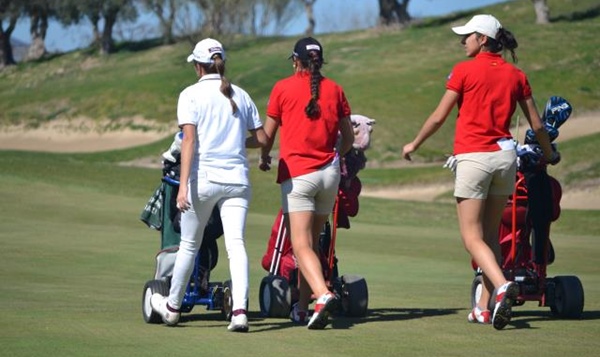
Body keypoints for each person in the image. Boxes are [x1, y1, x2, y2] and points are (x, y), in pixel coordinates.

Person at [401, 15, 560, 330]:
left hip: (474, 158)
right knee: (489, 236)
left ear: (483, 39)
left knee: (471, 237)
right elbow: (538, 125)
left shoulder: (463, 71)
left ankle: (502, 286)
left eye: (468, 36)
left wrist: (414, 143)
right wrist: (550, 152)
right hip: (504, 159)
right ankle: (484, 308)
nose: (463, 41)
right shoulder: (516, 74)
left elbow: (438, 117)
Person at [150, 38, 267, 332]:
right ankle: (240, 312)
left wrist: (182, 187)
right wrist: (244, 143)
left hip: (204, 179)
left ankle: (173, 308)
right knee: (236, 245)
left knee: (189, 244)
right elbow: (263, 139)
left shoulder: (190, 94)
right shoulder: (240, 94)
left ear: (198, 66)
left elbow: (188, 141)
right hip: (237, 180)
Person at [259, 37, 355, 330]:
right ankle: (302, 308)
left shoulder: (282, 88)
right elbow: (348, 138)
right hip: (329, 174)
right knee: (312, 244)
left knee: (300, 245)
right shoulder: (335, 89)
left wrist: (264, 157)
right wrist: (339, 155)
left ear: (295, 61)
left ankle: (323, 295)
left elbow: (267, 134)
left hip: (298, 175)